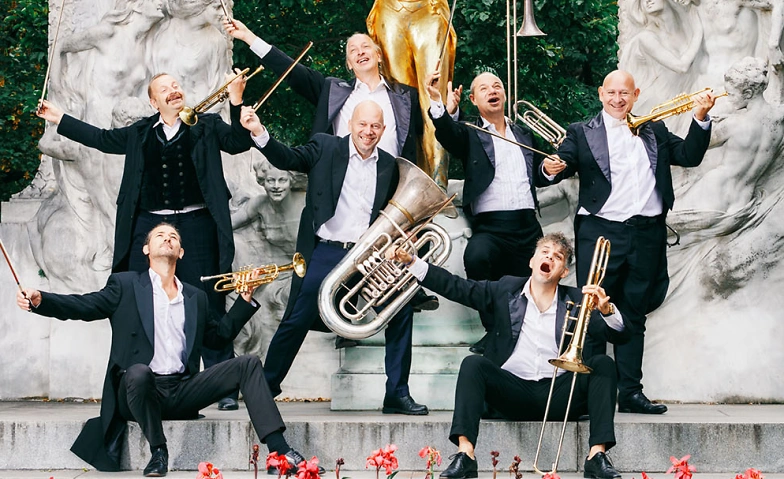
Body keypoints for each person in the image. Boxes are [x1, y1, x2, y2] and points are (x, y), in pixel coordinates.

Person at [15, 223, 316, 477]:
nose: (167, 238)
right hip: (137, 392)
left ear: (180, 252)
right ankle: (158, 451)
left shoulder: (195, 297)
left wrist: (245, 299)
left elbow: (219, 338)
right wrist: (42, 300)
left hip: (182, 390)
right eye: (159, 235)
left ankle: (280, 452)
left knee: (248, 363)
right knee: (138, 372)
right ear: (146, 249)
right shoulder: (124, 285)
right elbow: (84, 305)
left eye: (173, 237)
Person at [36, 71, 255, 411]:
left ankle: (223, 383)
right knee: (137, 293)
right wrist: (59, 118)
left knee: (209, 296)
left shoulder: (207, 125)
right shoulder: (140, 132)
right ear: (154, 102)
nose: (173, 91)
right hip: (149, 223)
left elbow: (239, 142)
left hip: (197, 222)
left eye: (176, 86)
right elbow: (101, 139)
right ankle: (138, 377)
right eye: (164, 89)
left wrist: (237, 99)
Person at [223, 19, 439, 318]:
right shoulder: (333, 90)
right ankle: (341, 321)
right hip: (342, 190)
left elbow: (416, 145)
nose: (360, 52)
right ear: (349, 63)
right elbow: (291, 71)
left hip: (389, 190)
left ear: (378, 55)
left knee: (389, 269)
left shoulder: (406, 96)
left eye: (365, 47)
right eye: (352, 50)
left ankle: (404, 297)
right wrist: (249, 37)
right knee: (336, 267)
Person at [541, 70, 716, 414]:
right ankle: (589, 395)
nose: (617, 99)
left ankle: (631, 393)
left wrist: (700, 116)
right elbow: (561, 165)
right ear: (600, 94)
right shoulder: (581, 132)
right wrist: (550, 168)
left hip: (646, 233)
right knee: (592, 312)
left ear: (635, 95)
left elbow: (689, 156)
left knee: (633, 312)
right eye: (611, 93)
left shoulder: (655, 129)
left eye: (625, 93)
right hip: (601, 231)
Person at [239, 99, 429, 415]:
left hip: (369, 254)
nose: (368, 131)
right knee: (297, 316)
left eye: (375, 126)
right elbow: (288, 158)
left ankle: (397, 394)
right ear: (351, 124)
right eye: (363, 124)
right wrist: (259, 132)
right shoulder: (325, 147)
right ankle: (266, 387)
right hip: (327, 249)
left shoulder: (389, 165)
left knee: (400, 310)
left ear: (383, 130)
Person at [387, 232, 629, 479]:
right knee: (473, 364)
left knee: (603, 364)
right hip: (511, 393)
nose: (549, 258)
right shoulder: (506, 288)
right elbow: (458, 287)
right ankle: (465, 455)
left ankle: (596, 456)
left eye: (557, 257)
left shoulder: (578, 299)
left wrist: (607, 311)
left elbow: (619, 336)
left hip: (559, 394)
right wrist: (412, 262)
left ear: (564, 271)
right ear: (532, 261)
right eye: (544, 252)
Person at [424, 69, 544, 354]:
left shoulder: (524, 133)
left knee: (540, 275)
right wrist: (437, 101)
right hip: (491, 226)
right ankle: (493, 331)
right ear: (473, 100)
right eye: (484, 88)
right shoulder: (470, 132)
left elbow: (539, 175)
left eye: (497, 86)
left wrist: (550, 170)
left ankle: (529, 335)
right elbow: (448, 134)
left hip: (527, 224)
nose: (493, 91)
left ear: (504, 94)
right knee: (476, 257)